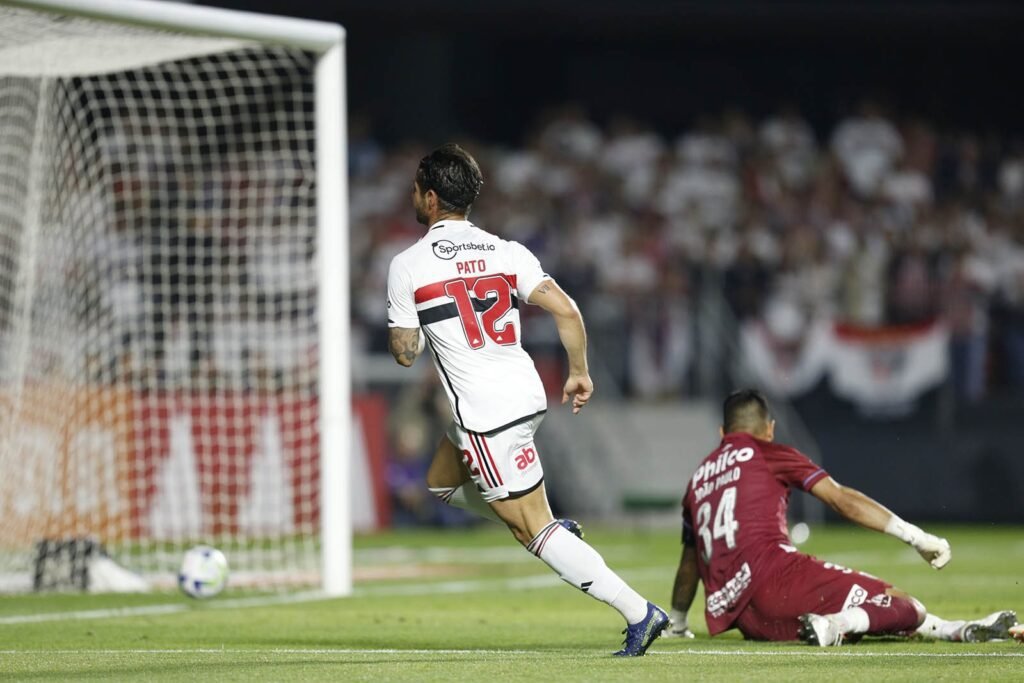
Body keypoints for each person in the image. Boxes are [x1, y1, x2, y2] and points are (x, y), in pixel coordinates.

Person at [386, 143, 668, 656]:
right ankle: (550, 524)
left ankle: (639, 611)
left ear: (429, 198)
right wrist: (579, 373)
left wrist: (420, 329)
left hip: (484, 413)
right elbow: (566, 310)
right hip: (523, 394)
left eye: (414, 188)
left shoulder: (408, 264)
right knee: (440, 483)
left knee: (531, 531)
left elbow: (405, 353)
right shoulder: (506, 250)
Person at [666, 388, 1018, 646]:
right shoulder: (767, 452)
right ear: (770, 429)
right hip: (779, 580)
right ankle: (836, 624)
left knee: (883, 608)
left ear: (722, 434)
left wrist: (678, 623)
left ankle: (959, 630)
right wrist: (916, 537)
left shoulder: (698, 478)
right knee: (906, 604)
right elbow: (841, 500)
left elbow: (690, 562)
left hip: (748, 619)